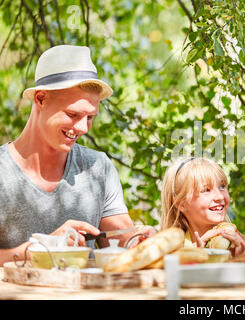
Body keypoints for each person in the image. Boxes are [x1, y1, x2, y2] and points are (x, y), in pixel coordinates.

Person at [0, 45, 154, 266]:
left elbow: (121, 244)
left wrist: (140, 242)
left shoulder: (98, 168)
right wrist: (45, 247)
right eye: (73, 114)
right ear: (41, 99)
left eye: (90, 117)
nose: (83, 128)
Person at [160, 157, 245, 257]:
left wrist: (240, 259)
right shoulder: (174, 253)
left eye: (222, 186)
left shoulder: (240, 242)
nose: (220, 196)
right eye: (206, 190)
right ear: (180, 203)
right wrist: (195, 258)